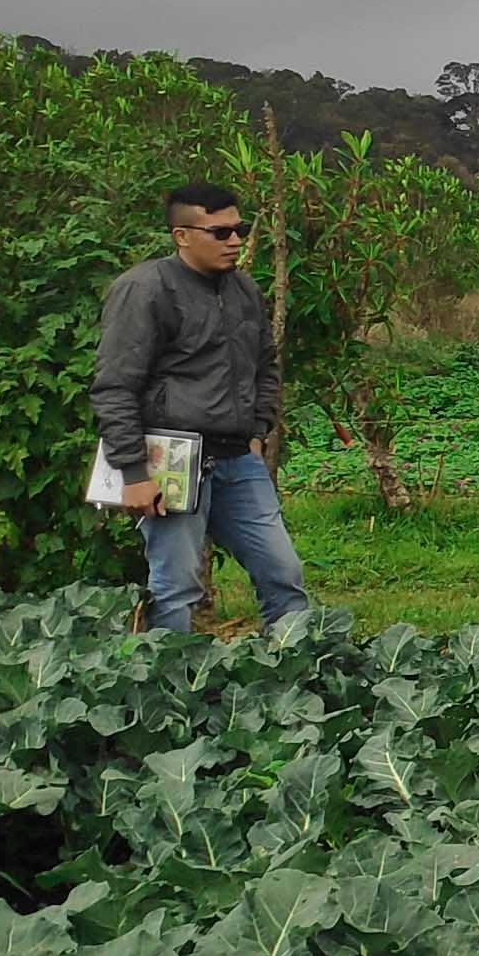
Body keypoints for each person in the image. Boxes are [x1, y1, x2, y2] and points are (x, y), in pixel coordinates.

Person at [93, 181, 309, 635]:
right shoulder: (144, 290)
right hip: (171, 458)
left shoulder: (244, 290)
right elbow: (115, 386)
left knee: (283, 573)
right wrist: (133, 473)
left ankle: (295, 679)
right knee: (175, 586)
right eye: (220, 232)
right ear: (182, 235)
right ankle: (163, 691)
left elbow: (265, 364)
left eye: (239, 230)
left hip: (238, 457)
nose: (234, 241)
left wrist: (258, 430)